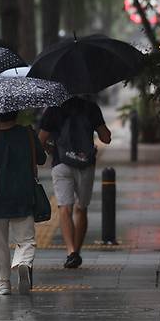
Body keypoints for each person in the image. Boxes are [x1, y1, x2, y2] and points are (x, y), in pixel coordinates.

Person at [38, 96, 111, 269]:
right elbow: (106, 138)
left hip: (61, 163)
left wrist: (51, 148)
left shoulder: (53, 108)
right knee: (81, 208)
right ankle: (76, 252)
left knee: (64, 208)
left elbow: (39, 140)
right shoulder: (91, 107)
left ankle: (71, 252)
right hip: (85, 165)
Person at [0, 111, 46, 295]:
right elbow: (42, 158)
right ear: (17, 112)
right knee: (26, 239)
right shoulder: (27, 133)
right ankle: (23, 262)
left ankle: (4, 283)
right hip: (23, 193)